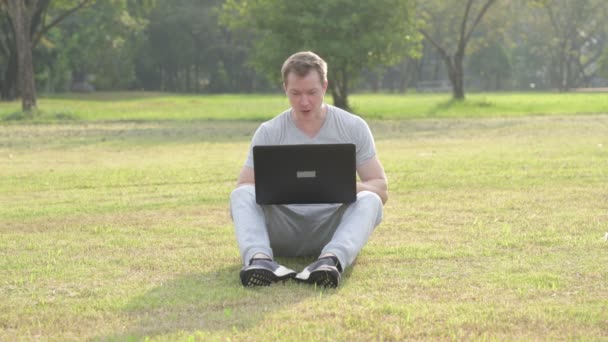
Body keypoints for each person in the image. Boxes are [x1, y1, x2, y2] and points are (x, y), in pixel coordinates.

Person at [230, 51, 388, 288]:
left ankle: (330, 261)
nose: (304, 102)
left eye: (312, 92)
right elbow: (245, 186)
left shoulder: (353, 127)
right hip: (282, 229)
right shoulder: (269, 131)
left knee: (371, 200)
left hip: (332, 227)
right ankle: (260, 261)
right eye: (296, 93)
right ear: (285, 88)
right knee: (240, 194)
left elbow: (381, 188)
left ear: (324, 86)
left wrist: (343, 186)